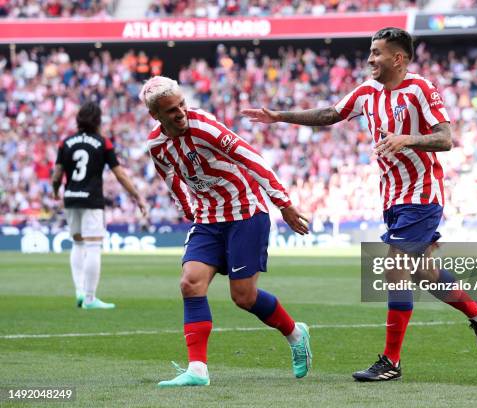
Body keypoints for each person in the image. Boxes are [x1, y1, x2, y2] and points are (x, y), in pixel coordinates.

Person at [242, 27, 477, 382]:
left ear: (398, 58)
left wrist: (408, 139)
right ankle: (476, 310)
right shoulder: (366, 93)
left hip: (422, 194)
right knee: (422, 272)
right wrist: (280, 116)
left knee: (395, 267)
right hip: (392, 197)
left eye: (377, 52)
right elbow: (331, 114)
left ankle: (391, 361)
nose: (370, 59)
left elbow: (446, 139)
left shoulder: (421, 89)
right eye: (370, 52)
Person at [139, 76, 312, 387]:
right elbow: (169, 177)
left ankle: (295, 333)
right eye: (172, 110)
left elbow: (251, 157)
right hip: (208, 218)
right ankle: (198, 370)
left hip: (246, 212)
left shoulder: (204, 125)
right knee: (190, 283)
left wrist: (283, 203)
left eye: (182, 104)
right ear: (156, 116)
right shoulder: (157, 145)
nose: (181, 113)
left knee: (243, 297)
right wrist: (188, 209)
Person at [52, 101, 148, 310]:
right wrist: (137, 196)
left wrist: (55, 190)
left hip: (71, 198)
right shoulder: (103, 143)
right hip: (92, 200)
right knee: (93, 246)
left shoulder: (65, 143)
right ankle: (89, 298)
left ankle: (79, 290)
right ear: (98, 120)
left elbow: (57, 173)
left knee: (77, 244)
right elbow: (119, 174)